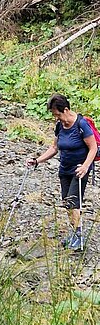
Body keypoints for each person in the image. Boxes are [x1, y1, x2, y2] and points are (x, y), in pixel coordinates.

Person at [26, 93, 97, 250]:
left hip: (80, 171)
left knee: (73, 202)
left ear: (65, 109)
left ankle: (79, 238)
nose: (55, 117)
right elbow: (54, 148)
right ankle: (74, 233)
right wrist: (37, 160)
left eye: (57, 114)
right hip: (64, 169)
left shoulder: (81, 124)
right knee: (67, 203)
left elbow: (93, 147)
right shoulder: (59, 126)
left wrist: (85, 166)